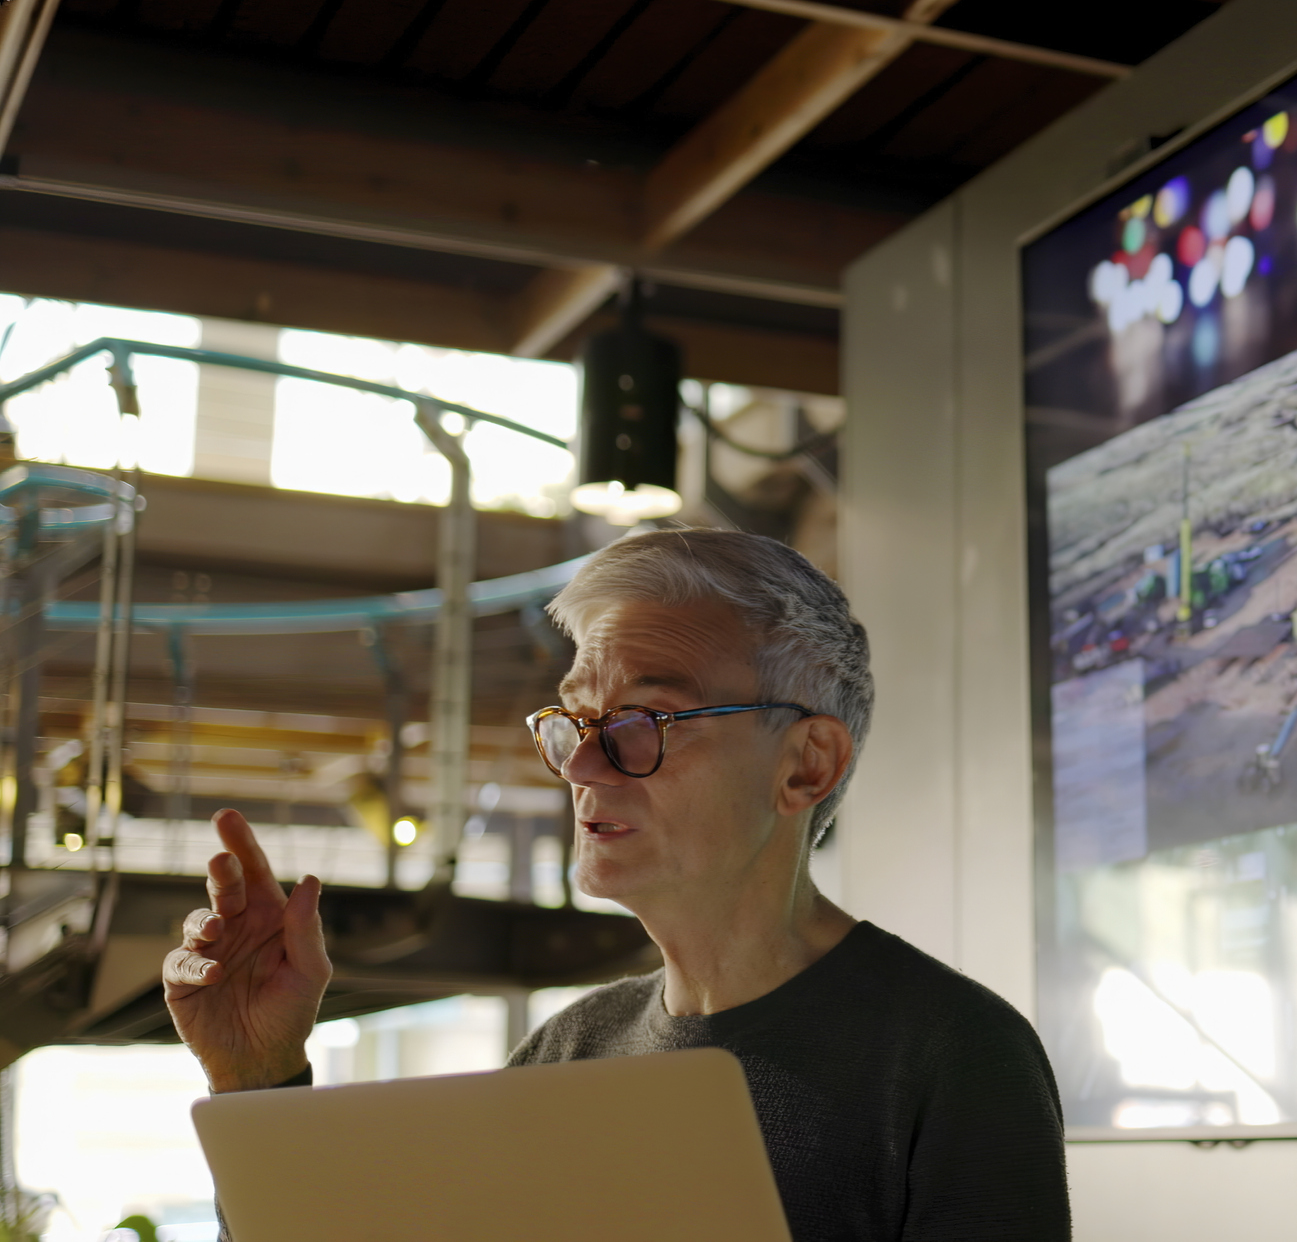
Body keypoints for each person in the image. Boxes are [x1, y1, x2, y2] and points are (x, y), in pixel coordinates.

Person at [161, 529, 1071, 1241]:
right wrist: (257, 1081)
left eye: (644, 720)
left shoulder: (952, 1052)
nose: (584, 765)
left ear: (805, 764)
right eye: (574, 720)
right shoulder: (568, 1052)